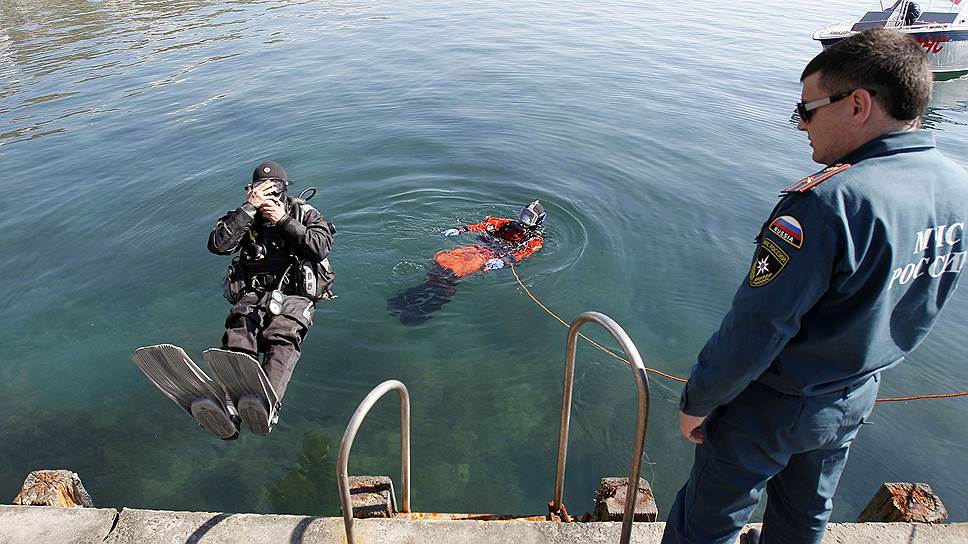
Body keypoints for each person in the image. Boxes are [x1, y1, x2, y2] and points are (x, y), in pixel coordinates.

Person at [662, 29, 968, 544]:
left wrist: (701, 399)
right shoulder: (956, 186)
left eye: (807, 108)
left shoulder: (828, 204)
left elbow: (759, 325)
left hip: (772, 406)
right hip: (853, 396)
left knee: (707, 522)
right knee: (805, 516)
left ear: (857, 105)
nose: (800, 123)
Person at [208, 160, 336, 433]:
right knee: (239, 333)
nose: (270, 195)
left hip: (294, 293)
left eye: (276, 188)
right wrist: (248, 210)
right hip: (253, 292)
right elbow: (218, 245)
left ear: (286, 189)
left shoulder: (304, 214)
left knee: (282, 335)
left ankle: (267, 405)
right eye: (261, 189)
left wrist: (283, 221)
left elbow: (321, 247)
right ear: (251, 190)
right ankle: (232, 405)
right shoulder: (244, 216)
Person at [387, 200, 546, 324]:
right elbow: (484, 226)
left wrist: (502, 261)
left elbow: (523, 253)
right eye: (524, 214)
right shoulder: (507, 224)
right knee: (443, 262)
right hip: (477, 247)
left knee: (454, 272)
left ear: (537, 221)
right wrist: (461, 229)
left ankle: (425, 308)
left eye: (529, 217)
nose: (523, 220)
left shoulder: (535, 240)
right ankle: (412, 295)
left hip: (490, 256)